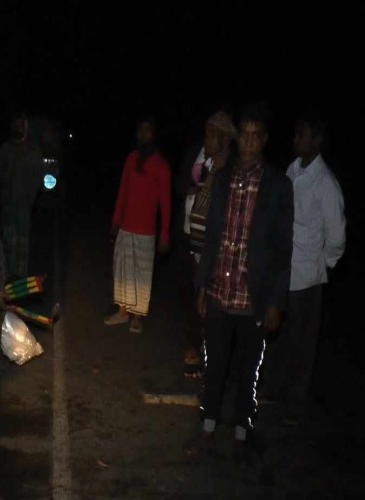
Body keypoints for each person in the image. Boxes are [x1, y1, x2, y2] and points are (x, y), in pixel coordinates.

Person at [185, 104, 294, 463]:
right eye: (242, 135)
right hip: (218, 290)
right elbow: (212, 235)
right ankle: (208, 424)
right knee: (214, 364)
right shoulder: (224, 175)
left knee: (248, 368)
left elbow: (282, 247)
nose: (247, 142)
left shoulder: (278, 185)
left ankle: (242, 429)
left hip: (253, 297)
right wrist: (202, 286)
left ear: (263, 140)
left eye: (254, 136)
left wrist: (276, 301)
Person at [261, 112, 346, 425]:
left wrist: (325, 265)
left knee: (302, 345)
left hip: (308, 277)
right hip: (285, 271)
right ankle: (272, 390)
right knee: (278, 336)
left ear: (317, 141)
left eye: (302, 134)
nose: (296, 139)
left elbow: (336, 236)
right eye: (296, 134)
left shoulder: (325, 183)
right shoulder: (293, 171)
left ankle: (295, 405)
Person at [175, 110, 237, 377]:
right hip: (189, 235)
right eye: (207, 131)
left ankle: (208, 356)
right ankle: (192, 349)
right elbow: (179, 182)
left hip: (213, 244)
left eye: (214, 134)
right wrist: (189, 188)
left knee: (208, 300)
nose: (208, 138)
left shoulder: (231, 167)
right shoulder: (196, 154)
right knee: (190, 295)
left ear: (225, 139)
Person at [104, 116, 171, 333]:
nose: (144, 135)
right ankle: (123, 312)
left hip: (146, 231)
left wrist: (164, 234)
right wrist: (115, 221)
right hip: (125, 226)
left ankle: (137, 317)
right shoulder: (131, 159)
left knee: (141, 274)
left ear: (154, 134)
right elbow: (122, 191)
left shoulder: (161, 166)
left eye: (148, 130)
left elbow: (166, 203)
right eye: (141, 130)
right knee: (122, 270)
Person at [0, 113, 44, 279]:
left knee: (22, 244)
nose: (18, 128)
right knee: (8, 241)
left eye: (21, 125)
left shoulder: (32, 151)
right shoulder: (6, 148)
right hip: (8, 204)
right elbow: (1, 173)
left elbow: (38, 177)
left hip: (23, 205)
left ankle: (20, 277)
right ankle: (8, 275)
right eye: (16, 124)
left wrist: (29, 199)